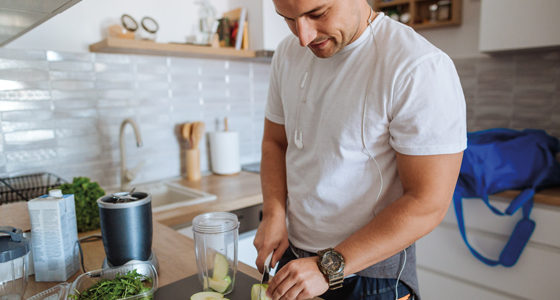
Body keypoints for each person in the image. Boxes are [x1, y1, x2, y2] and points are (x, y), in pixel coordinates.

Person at [253, 0, 467, 298]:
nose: (303, 36)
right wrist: (274, 213)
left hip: (371, 277)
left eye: (317, 14)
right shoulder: (288, 53)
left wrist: (329, 267)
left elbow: (427, 202)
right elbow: (275, 143)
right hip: (297, 262)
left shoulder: (419, 65)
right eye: (288, 19)